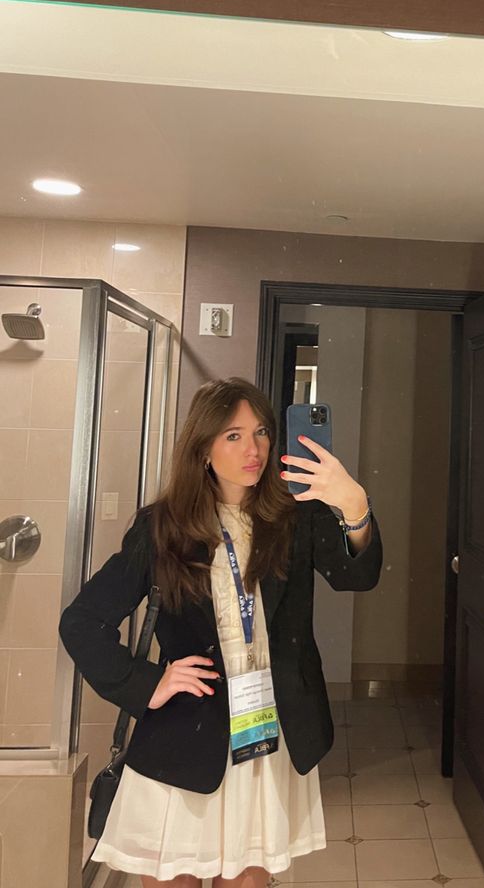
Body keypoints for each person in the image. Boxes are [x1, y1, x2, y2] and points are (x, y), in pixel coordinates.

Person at [59, 377, 381, 888]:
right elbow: (82, 621)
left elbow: (356, 576)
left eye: (261, 433)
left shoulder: (296, 516)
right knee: (175, 879)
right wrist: (148, 682)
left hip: (268, 734)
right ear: (203, 446)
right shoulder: (163, 526)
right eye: (233, 435)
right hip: (188, 732)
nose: (253, 449)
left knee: (249, 879)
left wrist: (354, 506)